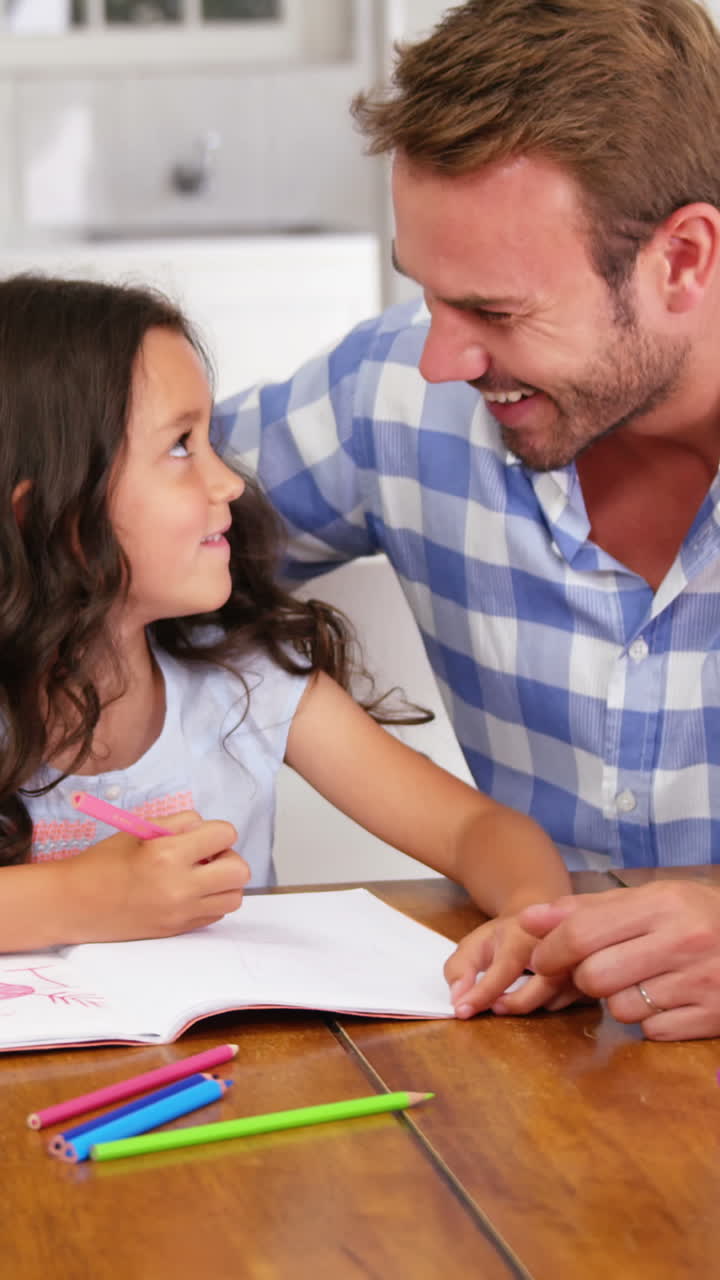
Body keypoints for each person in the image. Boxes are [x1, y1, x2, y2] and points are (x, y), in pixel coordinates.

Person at [212, 0, 720, 1040]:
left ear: (684, 259)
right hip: (533, 1066)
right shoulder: (393, 393)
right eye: (429, 295)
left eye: (494, 312)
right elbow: (98, 511)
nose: (443, 359)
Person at [0, 272, 575, 1018]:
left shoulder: (245, 682)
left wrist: (534, 920)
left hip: (235, 1079)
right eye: (181, 446)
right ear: (51, 514)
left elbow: (478, 830)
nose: (227, 482)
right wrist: (86, 898)